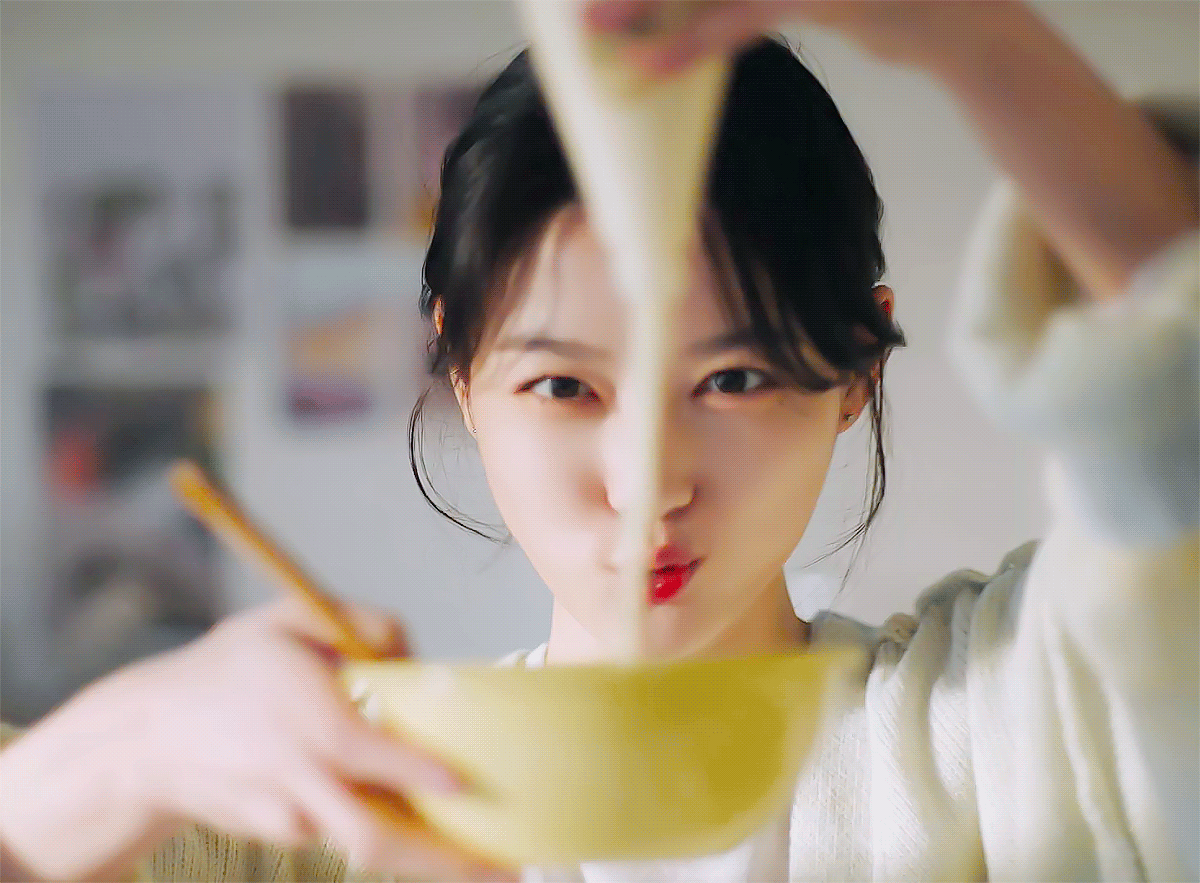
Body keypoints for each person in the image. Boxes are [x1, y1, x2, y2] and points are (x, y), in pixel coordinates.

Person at [2, 1, 1195, 880]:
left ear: (857, 368)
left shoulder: (1000, 721)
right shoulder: (315, 813)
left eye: (734, 377)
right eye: (565, 386)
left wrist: (969, 35)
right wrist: (122, 751)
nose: (647, 485)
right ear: (460, 372)